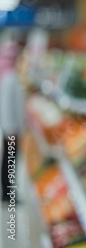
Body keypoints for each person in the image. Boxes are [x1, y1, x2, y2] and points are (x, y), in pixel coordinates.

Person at [0, 40, 25, 202]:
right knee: (9, 160)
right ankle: (8, 193)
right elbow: (7, 106)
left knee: (10, 160)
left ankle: (8, 192)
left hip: (11, 128)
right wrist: (10, 129)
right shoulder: (9, 79)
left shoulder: (11, 77)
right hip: (10, 128)